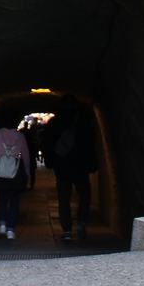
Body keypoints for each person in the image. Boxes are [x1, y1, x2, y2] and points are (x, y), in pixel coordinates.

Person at [42, 94, 97, 242]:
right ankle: (82, 221)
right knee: (84, 195)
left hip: (62, 166)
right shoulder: (83, 122)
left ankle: (66, 229)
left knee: (64, 198)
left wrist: (50, 161)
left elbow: (47, 143)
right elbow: (91, 144)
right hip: (81, 165)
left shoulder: (54, 123)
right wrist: (93, 164)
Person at [0, 122, 32, 241]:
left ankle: (2, 224)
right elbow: (26, 157)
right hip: (16, 174)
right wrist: (28, 175)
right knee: (14, 201)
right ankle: (11, 230)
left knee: (2, 200)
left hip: (1, 174)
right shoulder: (20, 136)